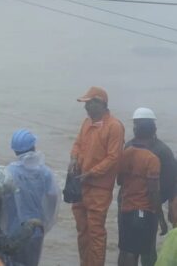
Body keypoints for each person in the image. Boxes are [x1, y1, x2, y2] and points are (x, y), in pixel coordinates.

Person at [69, 86, 125, 266]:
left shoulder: (114, 127)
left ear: (100, 104)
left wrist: (91, 173)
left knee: (96, 233)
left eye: (89, 103)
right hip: (80, 185)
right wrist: (73, 159)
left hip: (99, 188)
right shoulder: (86, 123)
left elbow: (113, 157)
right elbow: (77, 144)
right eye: (85, 104)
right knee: (82, 231)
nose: (85, 108)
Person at [1, 129, 59, 266]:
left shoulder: (9, 172)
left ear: (15, 151)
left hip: (14, 230)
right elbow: (53, 198)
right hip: (36, 230)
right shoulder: (45, 172)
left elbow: (1, 202)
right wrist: (45, 221)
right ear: (34, 146)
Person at [117, 114, 162, 266]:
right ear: (153, 133)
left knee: (124, 249)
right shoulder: (152, 159)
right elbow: (153, 191)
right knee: (134, 251)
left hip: (125, 208)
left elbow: (119, 181)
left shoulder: (125, 153)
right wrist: (159, 215)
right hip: (142, 211)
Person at [128, 108, 177, 238]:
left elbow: (171, 181)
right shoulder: (162, 150)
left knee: (132, 248)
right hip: (143, 205)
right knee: (142, 247)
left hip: (143, 204)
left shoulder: (161, 151)